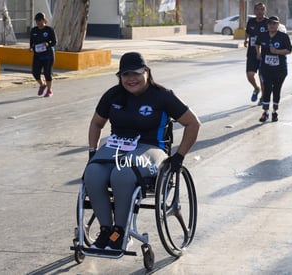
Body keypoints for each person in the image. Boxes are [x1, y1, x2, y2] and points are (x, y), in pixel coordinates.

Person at [83, 52, 201, 250]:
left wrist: (179, 156)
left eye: (136, 74)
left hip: (152, 147)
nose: (131, 79)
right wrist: (92, 152)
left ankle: (120, 232)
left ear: (146, 72)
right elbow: (96, 123)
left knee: (123, 173)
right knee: (93, 173)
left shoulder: (162, 96)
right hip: (117, 146)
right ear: (120, 76)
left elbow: (193, 123)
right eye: (125, 75)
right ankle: (106, 231)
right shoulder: (113, 95)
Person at [255, 16, 292, 122]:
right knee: (267, 89)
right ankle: (265, 112)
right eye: (270, 24)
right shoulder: (263, 35)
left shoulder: (283, 36)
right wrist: (258, 53)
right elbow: (257, 44)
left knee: (276, 90)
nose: (272, 25)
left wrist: (277, 52)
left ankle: (275, 112)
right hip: (266, 68)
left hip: (280, 69)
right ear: (267, 25)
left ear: (278, 25)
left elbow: (289, 50)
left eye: (274, 24)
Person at [244, 2, 268, 105]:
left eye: (262, 9)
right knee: (250, 75)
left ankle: (263, 96)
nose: (260, 11)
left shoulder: (268, 22)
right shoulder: (251, 21)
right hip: (251, 53)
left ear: (264, 11)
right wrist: (245, 40)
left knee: (262, 77)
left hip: (264, 54)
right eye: (257, 9)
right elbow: (247, 31)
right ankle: (256, 88)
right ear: (254, 11)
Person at [29, 12, 56, 97]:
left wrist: (48, 44)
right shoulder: (34, 31)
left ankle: (49, 90)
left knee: (47, 73)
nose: (39, 23)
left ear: (44, 20)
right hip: (38, 55)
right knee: (35, 72)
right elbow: (32, 43)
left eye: (40, 20)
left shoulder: (49, 30)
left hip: (48, 55)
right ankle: (42, 85)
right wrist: (31, 48)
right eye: (37, 21)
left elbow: (54, 42)